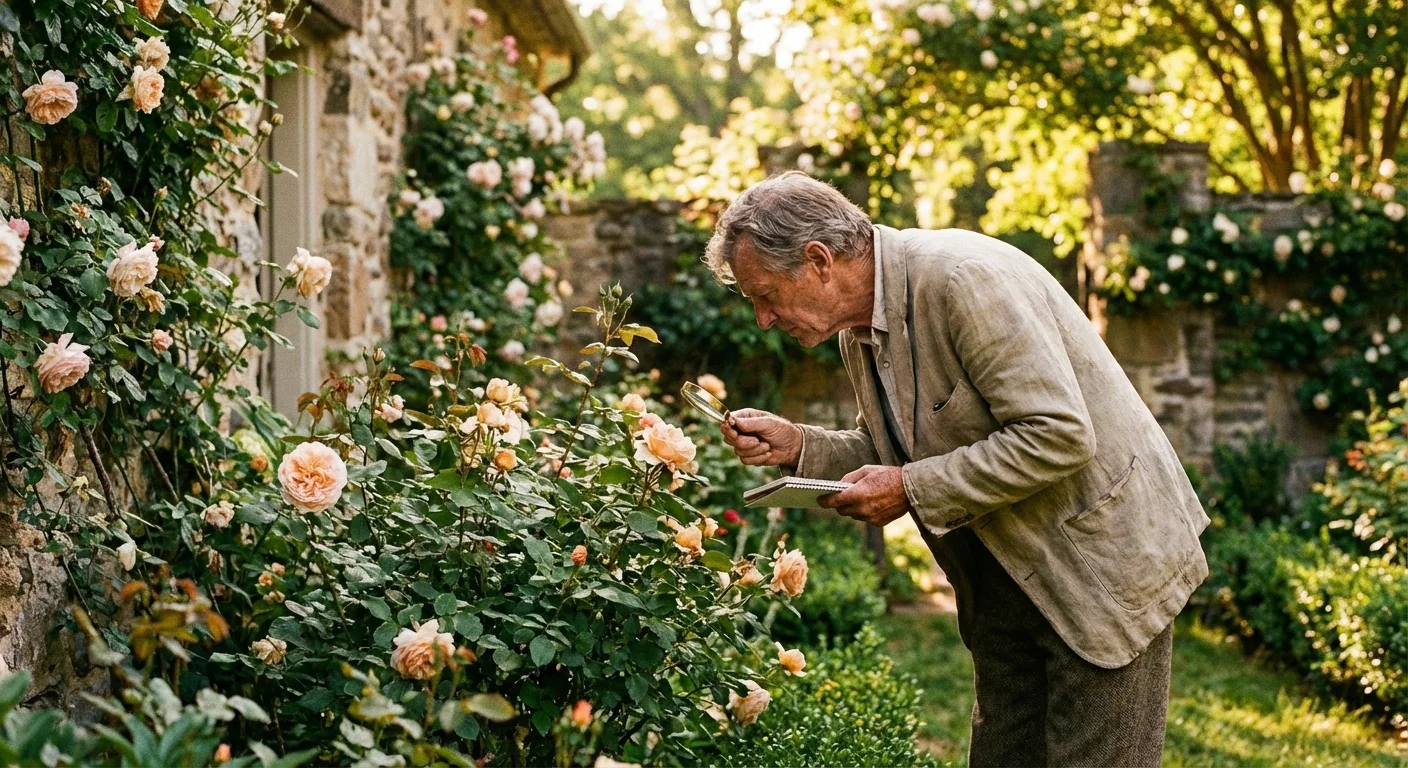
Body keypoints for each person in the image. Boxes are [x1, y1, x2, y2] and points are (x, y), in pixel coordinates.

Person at [712, 172, 1208, 767]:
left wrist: (910, 488)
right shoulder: (858, 328)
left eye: (766, 295)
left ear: (819, 260)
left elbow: (1058, 435)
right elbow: (898, 449)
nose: (764, 319)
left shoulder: (962, 279)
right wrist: (800, 447)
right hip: (1004, 580)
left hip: (1101, 567)